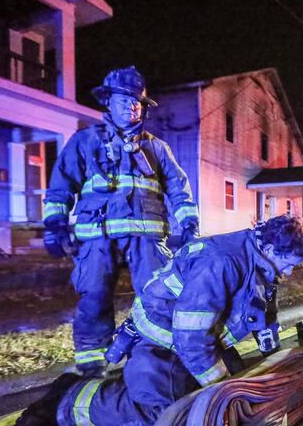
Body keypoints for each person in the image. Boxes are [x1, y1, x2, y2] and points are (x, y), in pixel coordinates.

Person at [11, 215, 303, 426]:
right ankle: (70, 396)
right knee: (162, 421)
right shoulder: (222, 263)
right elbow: (191, 340)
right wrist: (221, 388)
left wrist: (273, 357)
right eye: (290, 263)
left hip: (193, 344)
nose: (290, 273)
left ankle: (137, 390)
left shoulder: (257, 254)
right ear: (273, 250)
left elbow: (261, 308)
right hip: (161, 346)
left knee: (229, 394)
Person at [42, 66, 199, 377]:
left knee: (156, 296)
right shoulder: (85, 141)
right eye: (125, 99)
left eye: (137, 101)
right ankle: (91, 360)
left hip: (147, 237)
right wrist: (55, 224)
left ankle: (148, 354)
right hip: (97, 235)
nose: (132, 105)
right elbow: (62, 184)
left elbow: (179, 189)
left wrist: (190, 225)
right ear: (108, 102)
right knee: (94, 295)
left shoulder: (156, 148)